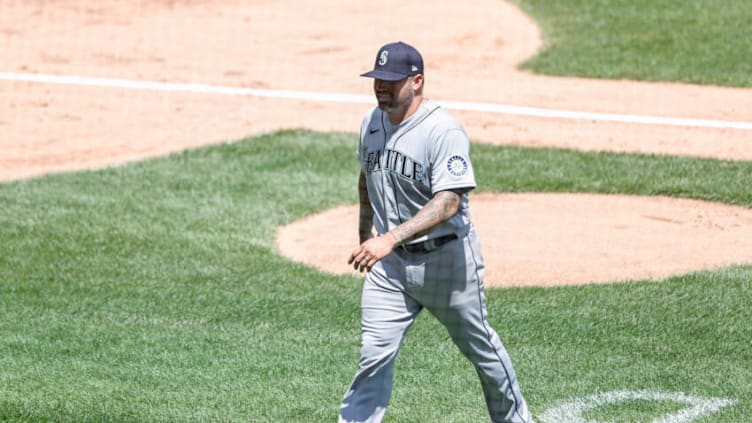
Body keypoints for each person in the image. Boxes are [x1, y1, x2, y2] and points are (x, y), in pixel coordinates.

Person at [338, 41, 534, 423]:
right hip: (391, 269)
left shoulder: (443, 130)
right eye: (378, 79)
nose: (381, 87)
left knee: (481, 350)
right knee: (373, 355)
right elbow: (367, 179)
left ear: (417, 81)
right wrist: (366, 234)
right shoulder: (371, 122)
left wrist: (388, 238)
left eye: (391, 81)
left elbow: (448, 203)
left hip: (447, 261)